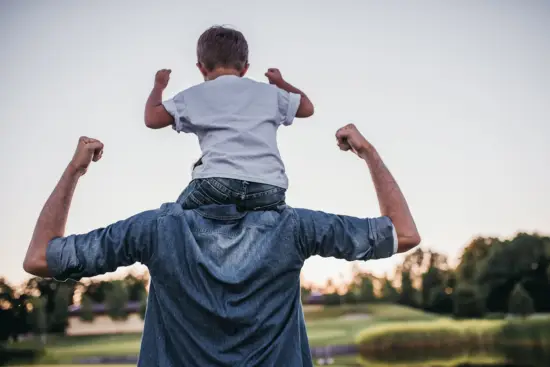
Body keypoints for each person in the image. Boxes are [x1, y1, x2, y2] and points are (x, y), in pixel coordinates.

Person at [23, 124, 420, 367]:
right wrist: (367, 152)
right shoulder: (295, 228)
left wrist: (76, 169)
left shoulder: (157, 229)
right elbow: (403, 233)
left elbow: (41, 257)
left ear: (198, 175)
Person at [144, 25, 314, 211]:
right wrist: (280, 83)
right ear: (245, 69)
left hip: (217, 183)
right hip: (270, 187)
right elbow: (307, 107)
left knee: (175, 218)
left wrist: (159, 86)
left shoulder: (195, 95)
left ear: (201, 68)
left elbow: (152, 118)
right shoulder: (268, 93)